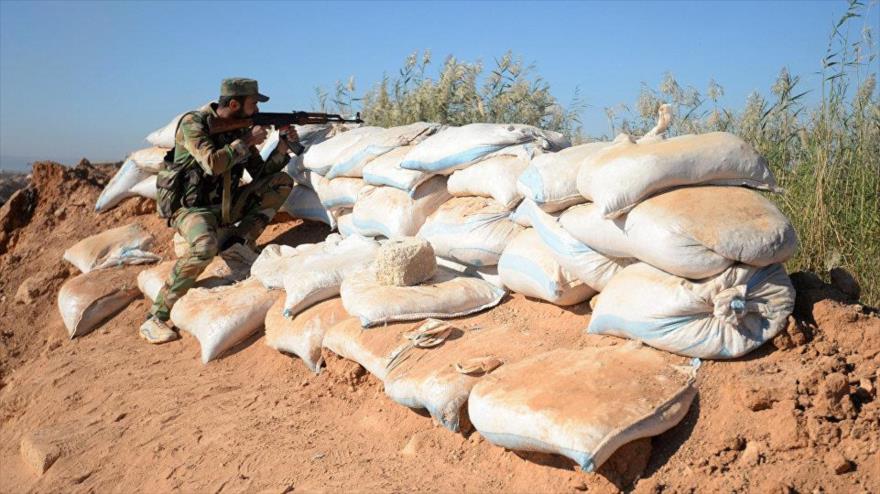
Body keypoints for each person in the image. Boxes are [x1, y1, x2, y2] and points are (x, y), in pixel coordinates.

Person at [139, 78, 296, 344]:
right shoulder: (194, 124)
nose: (257, 110)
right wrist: (246, 140)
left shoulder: (240, 130)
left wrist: (282, 148)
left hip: (225, 205)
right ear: (234, 104)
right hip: (191, 210)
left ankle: (237, 242)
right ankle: (156, 316)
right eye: (253, 104)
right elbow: (212, 163)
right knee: (204, 247)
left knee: (280, 183)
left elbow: (259, 173)